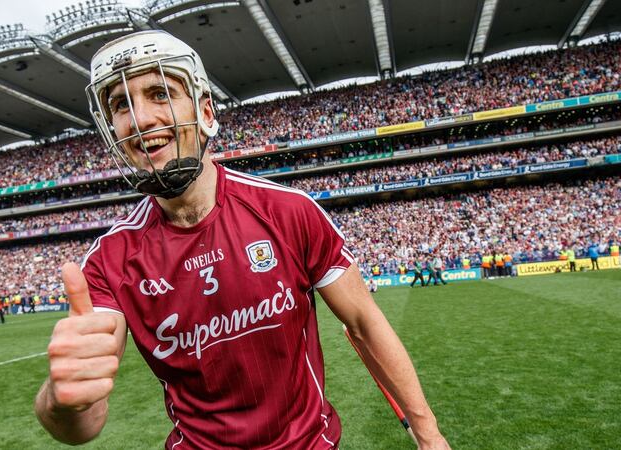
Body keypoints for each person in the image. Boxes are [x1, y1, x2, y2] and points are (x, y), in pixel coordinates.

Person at [34, 31, 449, 449]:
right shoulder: (108, 261)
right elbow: (82, 428)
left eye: (160, 93)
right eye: (121, 104)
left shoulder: (289, 211)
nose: (140, 119)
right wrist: (61, 399)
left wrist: (429, 436)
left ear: (205, 111)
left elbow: (364, 323)